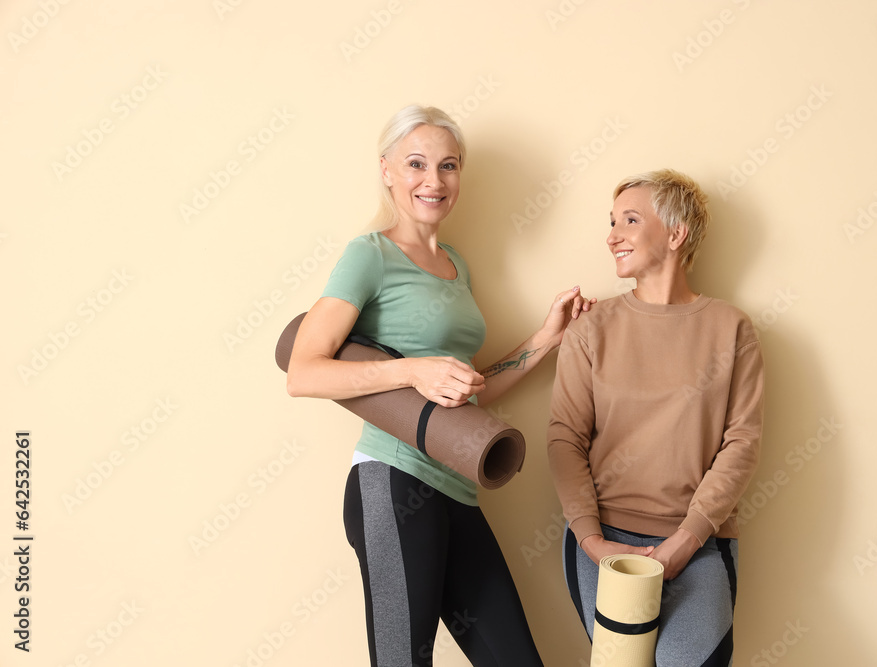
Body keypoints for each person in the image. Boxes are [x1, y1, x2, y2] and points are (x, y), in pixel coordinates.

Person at [286, 104, 593, 666]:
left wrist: (545, 339)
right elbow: (304, 371)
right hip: (391, 482)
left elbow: (467, 395)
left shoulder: (456, 265)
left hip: (454, 486)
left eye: (448, 166)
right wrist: (411, 369)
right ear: (386, 171)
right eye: (416, 164)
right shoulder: (369, 255)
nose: (434, 181)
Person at [547, 169, 764, 666]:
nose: (612, 235)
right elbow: (565, 438)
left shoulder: (731, 328)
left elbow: (742, 444)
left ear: (675, 233)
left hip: (701, 543)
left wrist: (685, 543)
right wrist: (593, 540)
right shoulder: (590, 330)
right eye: (611, 222)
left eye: (629, 219)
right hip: (602, 544)